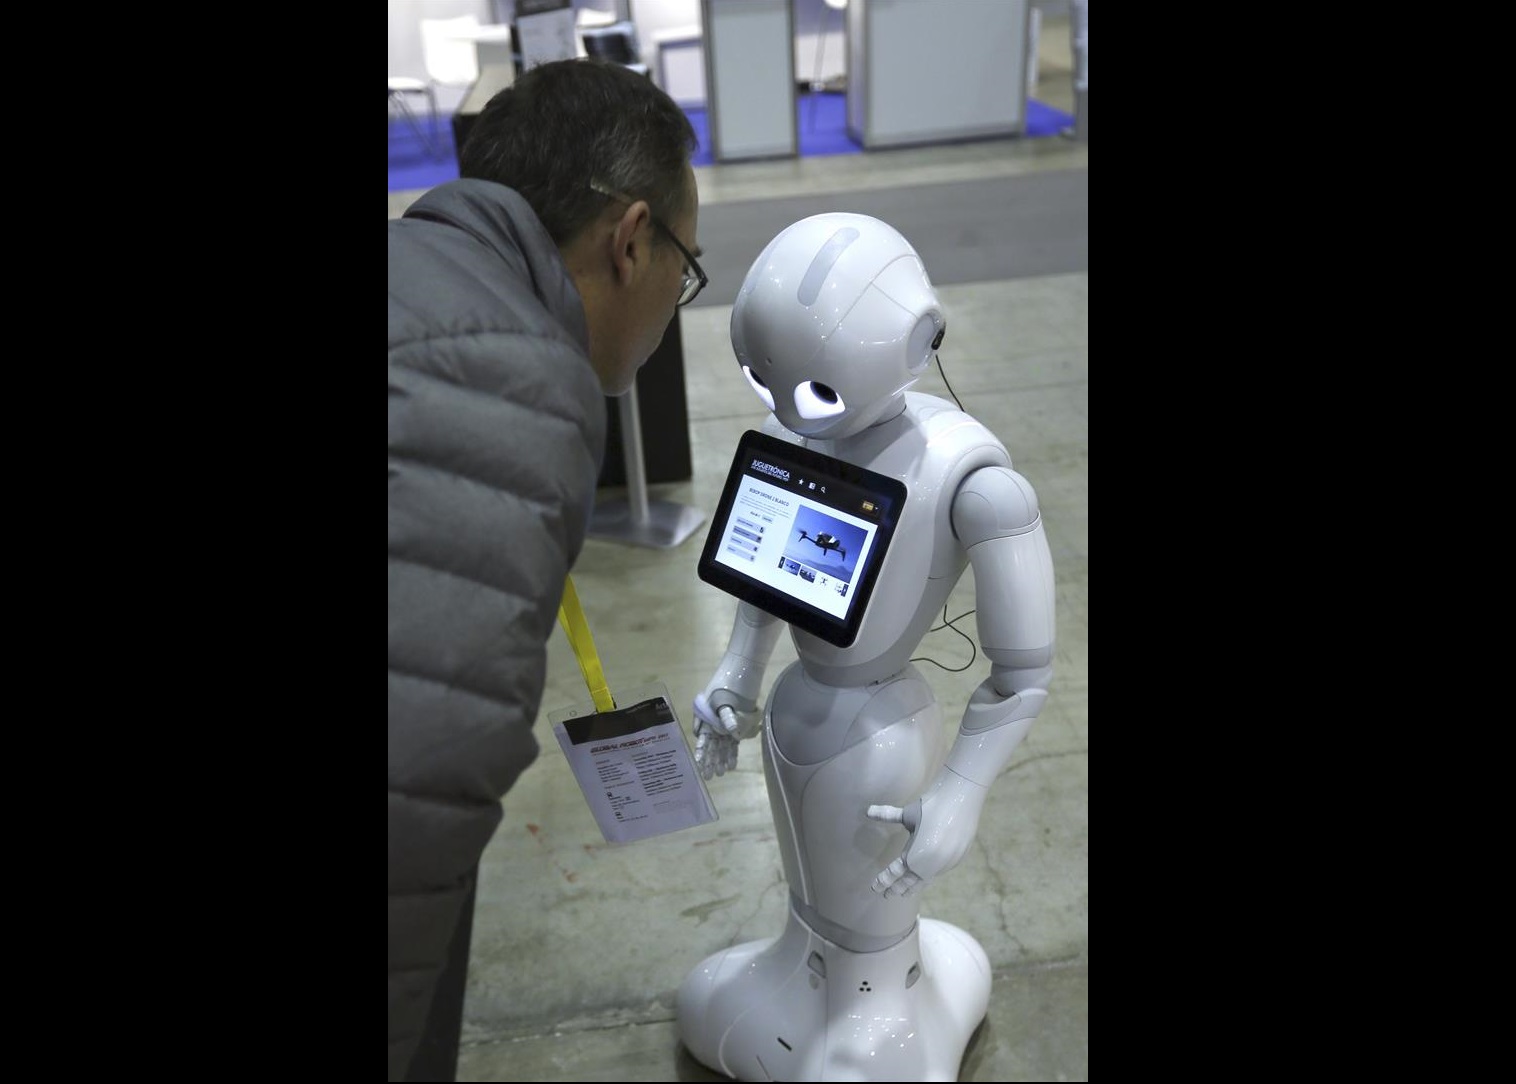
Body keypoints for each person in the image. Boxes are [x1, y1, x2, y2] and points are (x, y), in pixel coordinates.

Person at [677, 212, 1055, 1080]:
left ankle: (877, 995)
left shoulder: (977, 485)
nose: (784, 411)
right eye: (762, 382)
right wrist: (738, 673)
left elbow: (1023, 671)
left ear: (921, 339)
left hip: (882, 738)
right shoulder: (792, 432)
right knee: (728, 972)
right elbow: (767, 583)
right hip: (795, 717)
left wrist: (960, 792)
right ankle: (805, 966)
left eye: (811, 393)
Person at [387, 57, 704, 1082]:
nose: (673, 306)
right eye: (685, 268)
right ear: (630, 240)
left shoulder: (421, 276)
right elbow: (416, 781)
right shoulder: (516, 381)